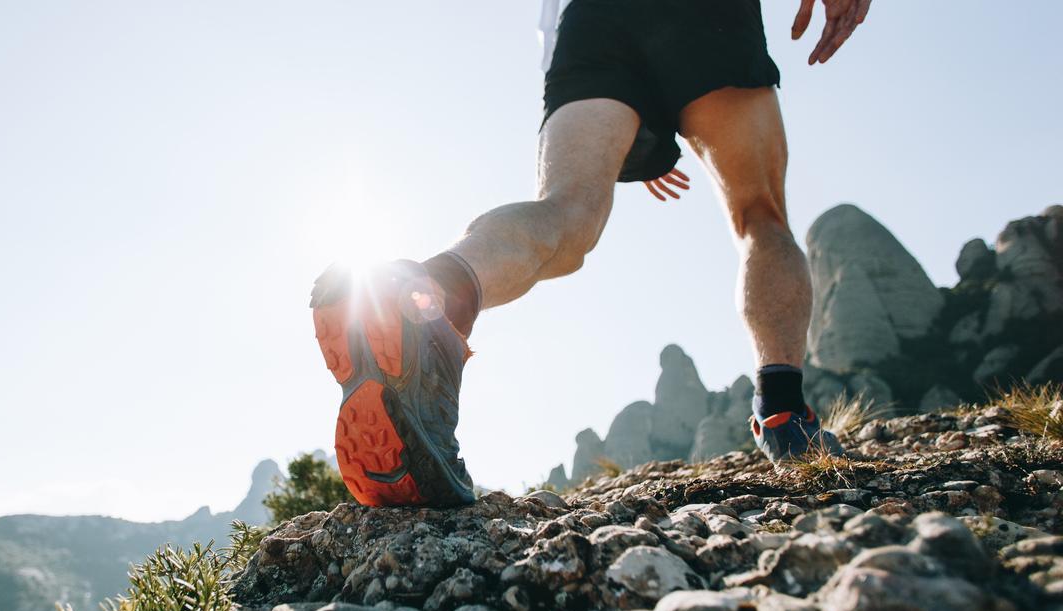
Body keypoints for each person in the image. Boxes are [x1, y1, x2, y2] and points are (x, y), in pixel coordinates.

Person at [311, 0, 873, 507]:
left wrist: (633, 132)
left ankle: (418, 293)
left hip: (591, 23)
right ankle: (783, 414)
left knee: (567, 214)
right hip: (705, 16)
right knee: (759, 216)